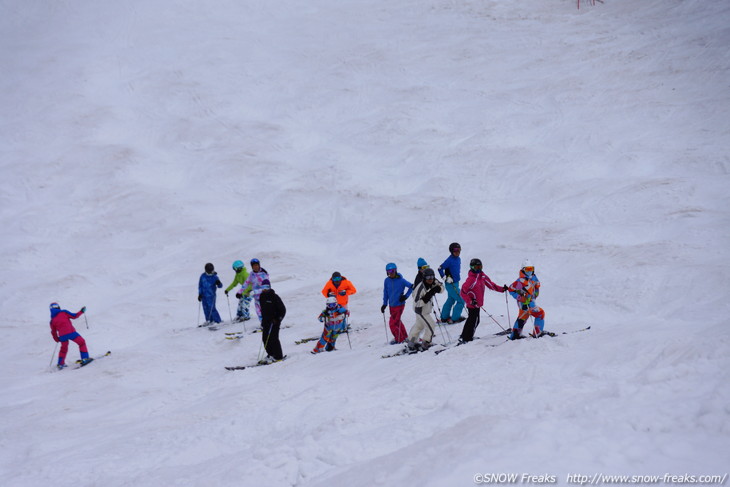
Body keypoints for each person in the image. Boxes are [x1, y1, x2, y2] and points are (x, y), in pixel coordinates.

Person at [459, 258, 507, 343]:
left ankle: (464, 335)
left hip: (477, 304)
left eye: (480, 267)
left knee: (472, 320)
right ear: (472, 267)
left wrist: (502, 289)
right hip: (473, 304)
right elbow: (462, 292)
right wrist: (470, 301)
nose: (479, 269)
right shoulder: (471, 279)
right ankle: (467, 338)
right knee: (474, 321)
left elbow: (491, 285)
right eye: (476, 267)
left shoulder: (482, 276)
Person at [406, 268, 444, 351]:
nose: (430, 279)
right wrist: (427, 296)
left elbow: (441, 287)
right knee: (431, 325)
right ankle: (426, 342)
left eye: (432, 277)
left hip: (426, 310)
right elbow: (417, 303)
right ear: (424, 278)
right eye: (428, 277)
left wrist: (438, 289)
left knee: (419, 326)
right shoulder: (420, 288)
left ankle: (411, 341)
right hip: (421, 311)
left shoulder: (434, 281)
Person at [508, 259, 546, 340]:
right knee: (540, 314)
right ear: (523, 270)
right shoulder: (520, 281)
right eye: (527, 269)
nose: (530, 271)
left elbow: (535, 287)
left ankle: (515, 335)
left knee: (522, 317)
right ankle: (538, 333)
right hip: (525, 303)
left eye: (531, 269)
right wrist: (520, 298)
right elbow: (511, 289)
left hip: (530, 301)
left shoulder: (532, 278)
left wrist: (535, 293)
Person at [49, 302, 91, 369]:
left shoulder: (52, 321)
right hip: (71, 333)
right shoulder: (64, 312)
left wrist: (57, 339)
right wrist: (81, 311)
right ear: (58, 307)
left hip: (62, 336)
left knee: (63, 349)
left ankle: (60, 364)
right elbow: (74, 316)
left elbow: (53, 332)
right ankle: (85, 358)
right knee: (82, 342)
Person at [380, 262, 413, 344]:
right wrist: (384, 304)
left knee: (393, 323)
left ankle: (400, 340)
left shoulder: (401, 280)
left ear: (396, 271)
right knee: (397, 322)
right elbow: (386, 292)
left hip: (400, 305)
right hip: (392, 306)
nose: (391, 273)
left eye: (393, 271)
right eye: (389, 271)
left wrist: (405, 296)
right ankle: (404, 337)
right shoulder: (386, 281)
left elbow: (412, 286)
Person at [258, 279, 286, 364]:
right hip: (266, 322)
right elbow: (263, 310)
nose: (265, 289)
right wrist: (263, 320)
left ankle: (278, 356)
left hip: (274, 322)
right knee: (265, 338)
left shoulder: (274, 297)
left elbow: (283, 310)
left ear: (270, 287)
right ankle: (271, 354)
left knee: (273, 339)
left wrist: (277, 319)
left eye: (266, 287)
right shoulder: (262, 296)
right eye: (263, 287)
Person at [438, 242, 465, 324]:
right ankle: (454, 318)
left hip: (456, 283)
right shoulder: (449, 260)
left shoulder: (458, 259)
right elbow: (440, 268)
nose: (458, 252)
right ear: (451, 251)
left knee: (451, 299)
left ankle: (444, 317)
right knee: (461, 300)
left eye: (459, 250)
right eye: (456, 250)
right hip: (451, 284)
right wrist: (445, 277)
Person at [241, 258, 270, 324]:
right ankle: (263, 325)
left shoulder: (263, 274)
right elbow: (246, 283)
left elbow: (266, 288)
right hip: (256, 298)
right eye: (254, 266)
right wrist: (240, 292)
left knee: (265, 312)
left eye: (257, 265)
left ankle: (268, 325)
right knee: (258, 312)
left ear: (259, 265)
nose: (255, 267)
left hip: (265, 297)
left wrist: (255, 291)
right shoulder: (252, 274)